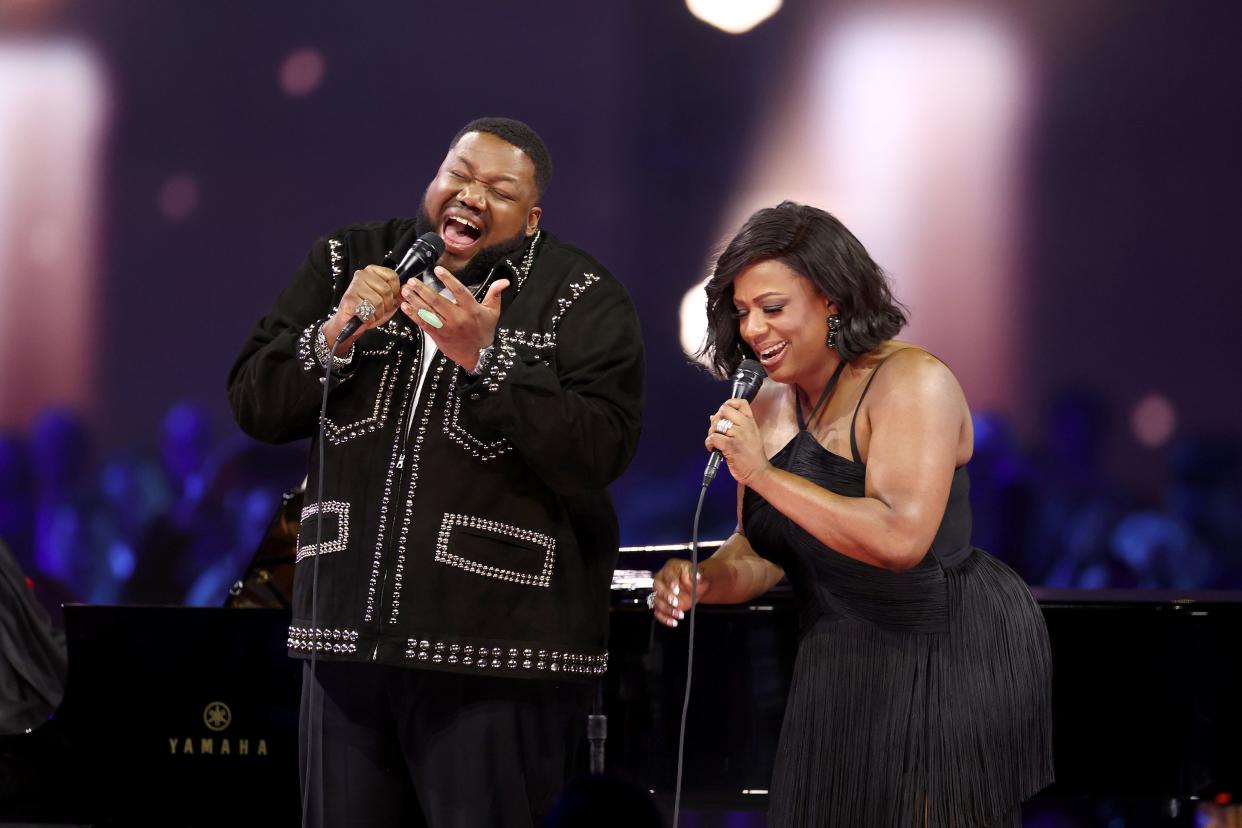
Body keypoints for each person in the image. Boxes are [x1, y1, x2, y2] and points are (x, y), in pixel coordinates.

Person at [227, 117, 645, 827]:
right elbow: (255, 404)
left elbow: (601, 449)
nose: (472, 196)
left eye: (499, 189)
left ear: (532, 216)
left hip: (494, 654)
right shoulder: (347, 261)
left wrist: (489, 360)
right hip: (344, 640)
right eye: (460, 174)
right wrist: (336, 334)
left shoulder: (581, 296)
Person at [651, 202, 1052, 826]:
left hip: (940, 649)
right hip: (835, 652)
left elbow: (900, 538)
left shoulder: (911, 381)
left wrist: (761, 473)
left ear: (833, 300)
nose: (753, 329)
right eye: (742, 310)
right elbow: (759, 548)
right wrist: (702, 581)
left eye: (773, 308)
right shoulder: (764, 407)